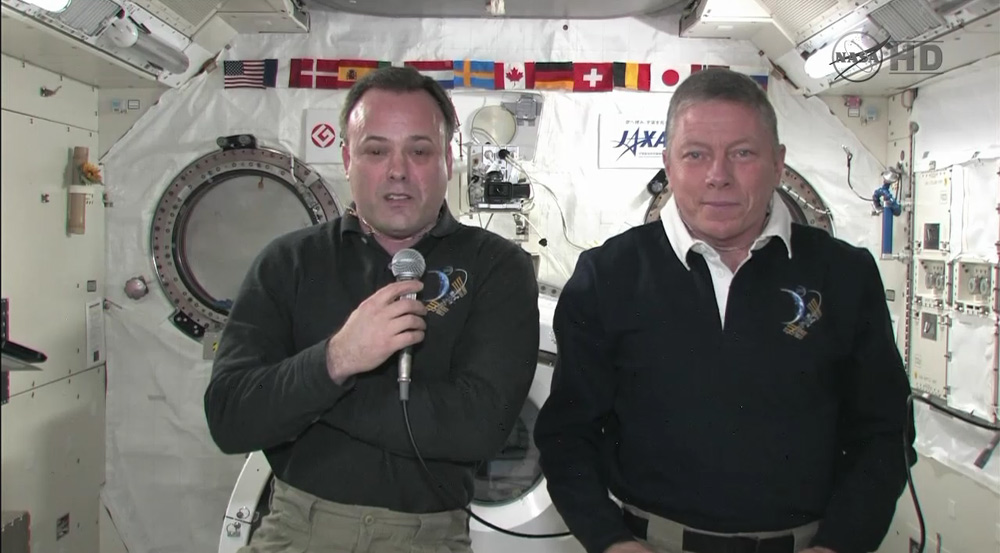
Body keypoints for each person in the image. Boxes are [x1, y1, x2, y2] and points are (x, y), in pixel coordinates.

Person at [534, 67, 916, 553]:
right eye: (696, 154)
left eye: (742, 153)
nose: (718, 175)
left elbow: (886, 431)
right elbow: (567, 436)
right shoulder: (608, 276)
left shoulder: (844, 275)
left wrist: (843, 542)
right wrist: (610, 542)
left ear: (779, 164)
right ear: (668, 166)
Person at [204, 66, 540, 553]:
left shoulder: (496, 267)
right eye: (376, 150)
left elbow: (479, 429)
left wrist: (314, 396)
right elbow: (231, 417)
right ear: (347, 157)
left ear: (448, 159)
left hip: (428, 537)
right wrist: (337, 357)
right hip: (298, 528)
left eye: (420, 151)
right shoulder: (289, 262)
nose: (398, 170)